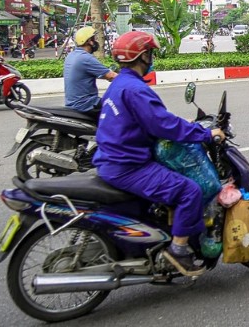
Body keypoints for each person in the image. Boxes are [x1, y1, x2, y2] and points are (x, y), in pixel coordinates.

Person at [92, 32, 226, 277]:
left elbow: (151, 121)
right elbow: (163, 125)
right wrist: (205, 134)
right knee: (190, 191)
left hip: (111, 160)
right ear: (144, 55)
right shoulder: (135, 89)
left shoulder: (119, 84)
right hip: (129, 166)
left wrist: (180, 126)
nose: (151, 58)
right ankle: (179, 251)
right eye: (150, 53)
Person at [63, 26, 117, 118]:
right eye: (94, 39)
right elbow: (111, 76)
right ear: (88, 41)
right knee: (118, 110)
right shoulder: (85, 58)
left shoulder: (71, 56)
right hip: (86, 105)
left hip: (73, 103)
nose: (96, 42)